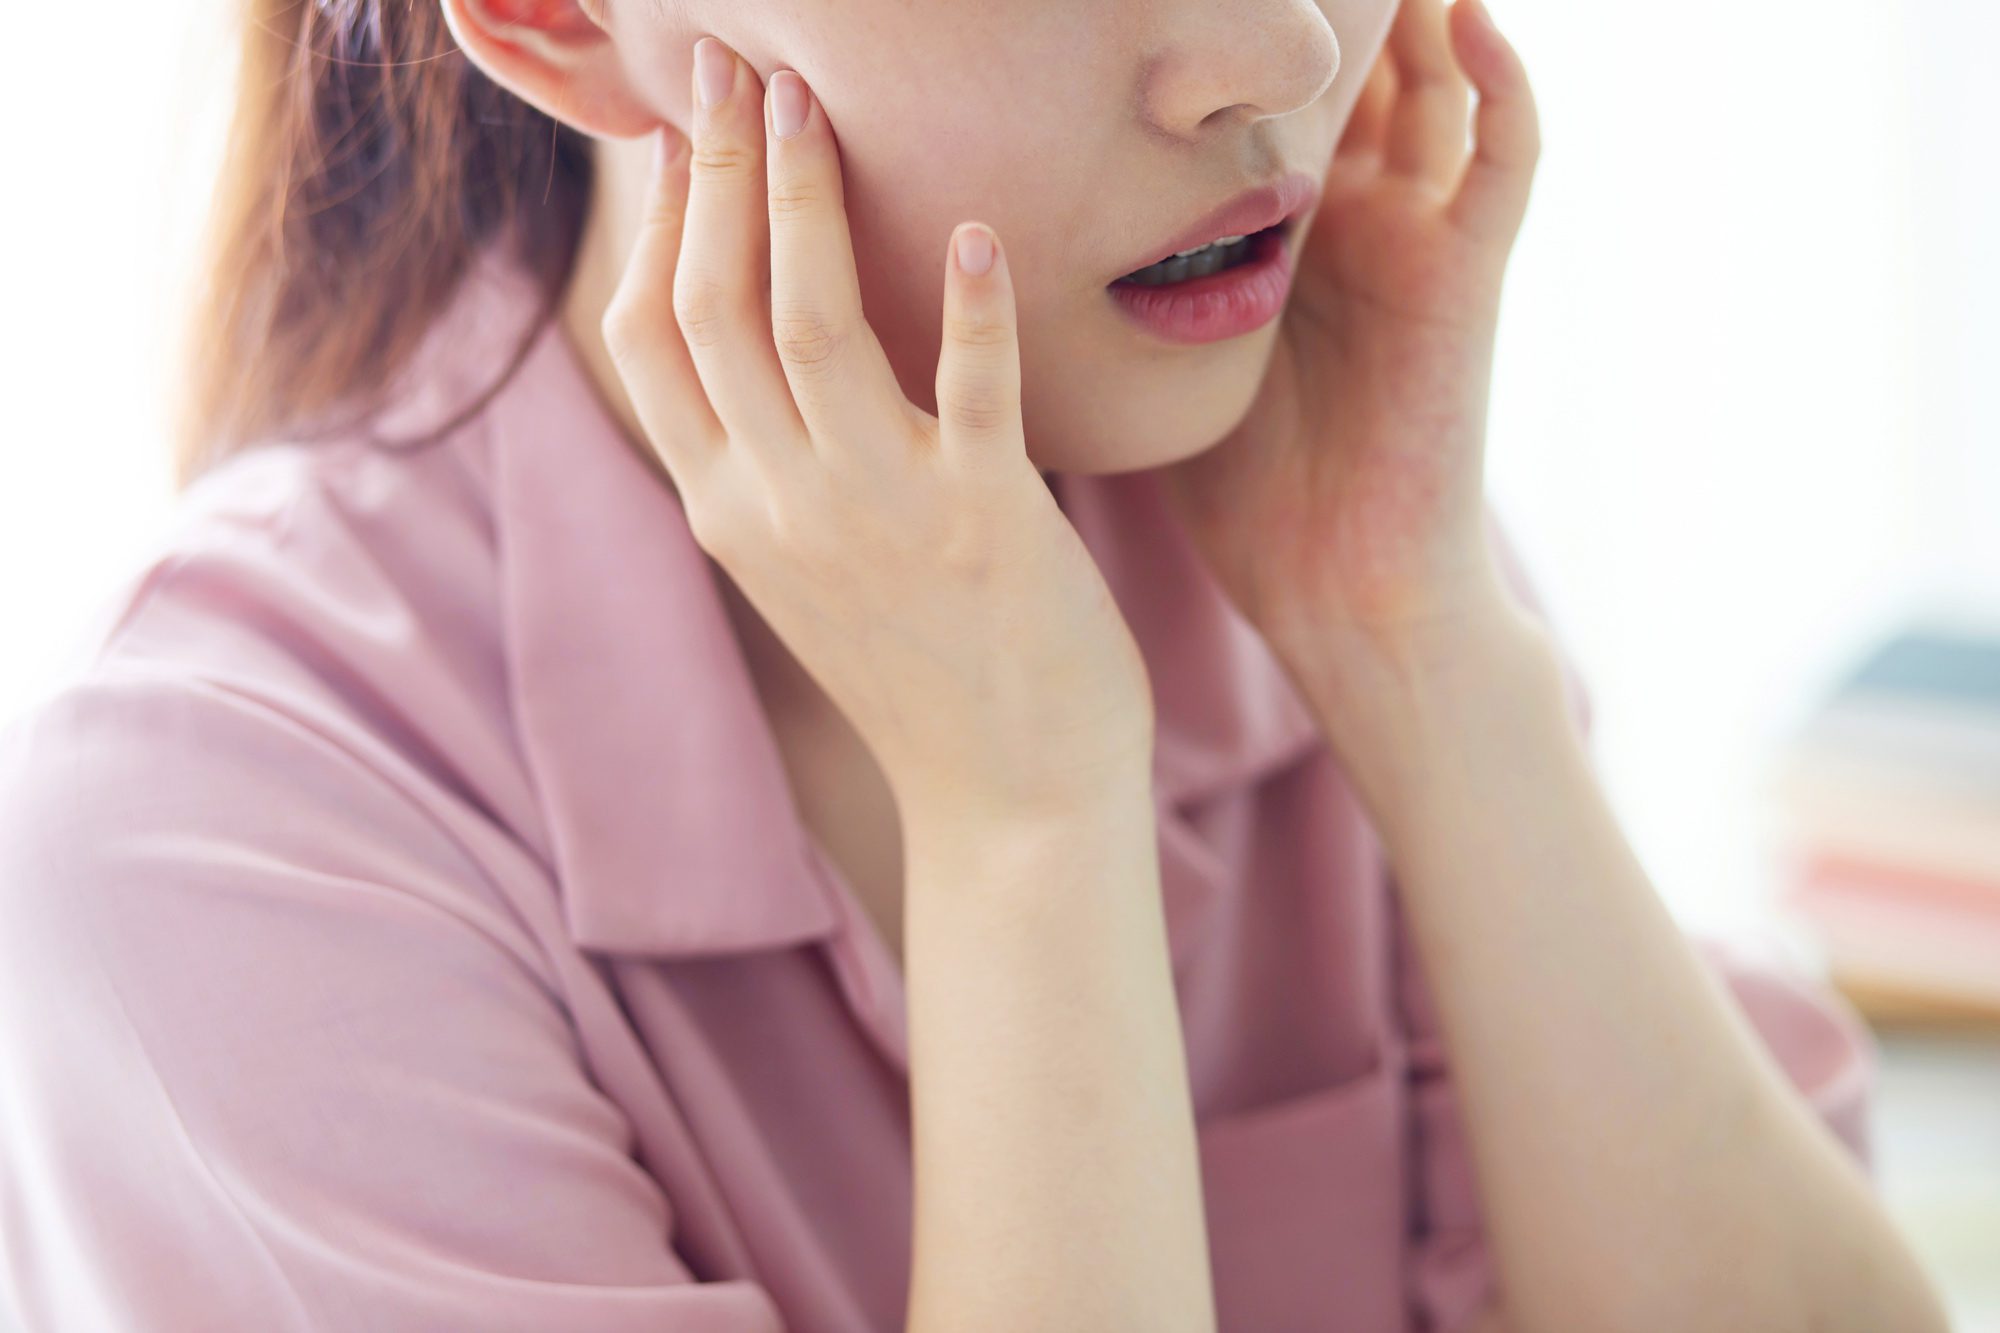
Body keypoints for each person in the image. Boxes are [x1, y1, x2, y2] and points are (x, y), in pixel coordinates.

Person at [0, 0, 1950, 1328]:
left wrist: (1417, 649)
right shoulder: (219, 846)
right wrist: (1027, 821)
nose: (1274, 51)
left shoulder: (1250, 494)